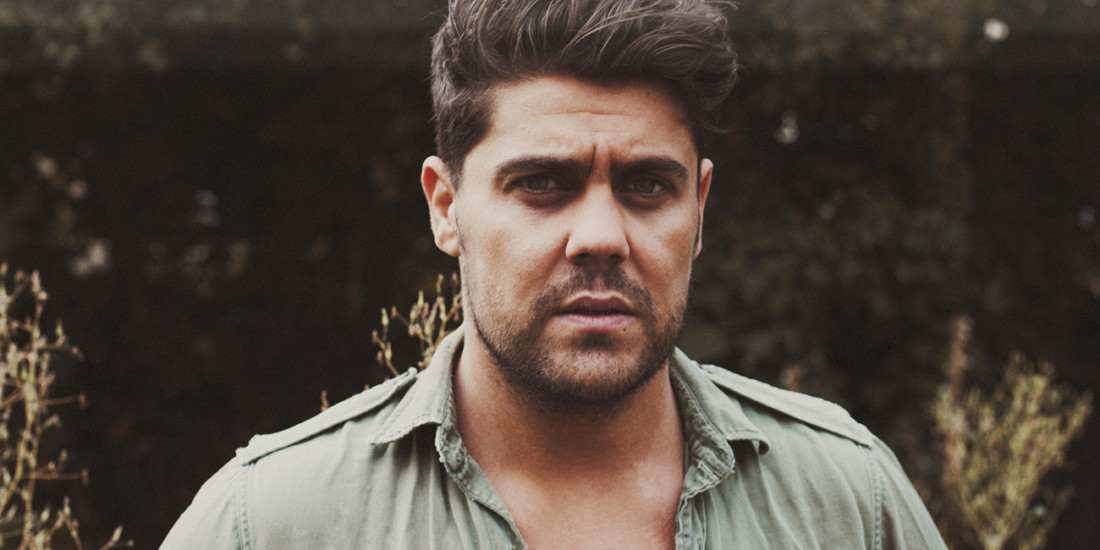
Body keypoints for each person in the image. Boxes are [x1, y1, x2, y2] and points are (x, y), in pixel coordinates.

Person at [162, 1, 948, 548]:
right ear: (446, 207)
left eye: (648, 186)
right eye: (541, 183)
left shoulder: (849, 502)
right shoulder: (269, 524)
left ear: (700, 210)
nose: (601, 237)